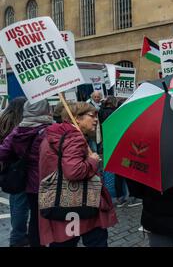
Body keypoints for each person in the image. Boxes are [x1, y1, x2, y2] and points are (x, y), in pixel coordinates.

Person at [38, 102, 118, 247]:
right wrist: (93, 161)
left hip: (60, 201)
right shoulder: (74, 137)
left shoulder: (55, 134)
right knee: (96, 240)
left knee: (65, 241)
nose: (96, 119)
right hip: (81, 200)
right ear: (77, 118)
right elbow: (74, 171)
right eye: (92, 115)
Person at [0, 100, 53, 247]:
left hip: (24, 180)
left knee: (27, 214)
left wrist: (16, 158)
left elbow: (2, 152)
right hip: (45, 182)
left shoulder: (17, 131)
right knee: (43, 218)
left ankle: (24, 240)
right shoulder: (51, 130)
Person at [0, 97, 29, 247]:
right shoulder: (20, 125)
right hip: (19, 168)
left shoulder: (4, 121)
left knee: (15, 200)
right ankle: (18, 236)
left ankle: (17, 233)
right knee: (21, 202)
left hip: (7, 168)